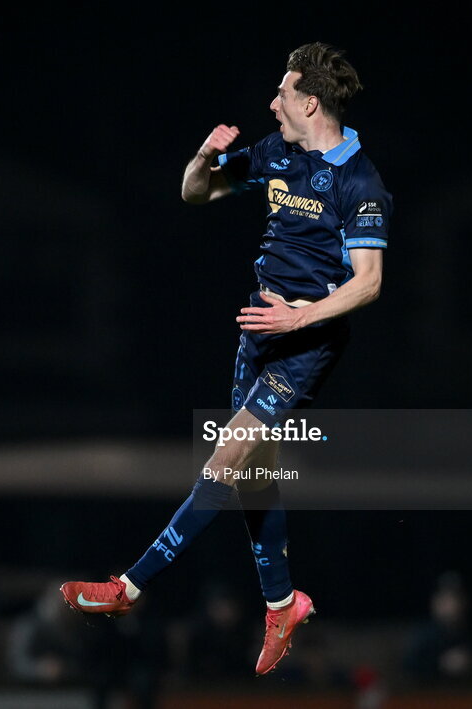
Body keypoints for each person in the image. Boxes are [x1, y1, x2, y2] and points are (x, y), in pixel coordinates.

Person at [61, 41, 392, 676]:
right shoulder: (274, 153)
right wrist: (204, 155)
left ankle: (126, 588)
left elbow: (370, 281)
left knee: (226, 458)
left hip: (306, 344)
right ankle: (281, 602)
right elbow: (196, 193)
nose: (272, 102)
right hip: (257, 334)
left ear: (311, 102)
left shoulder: (359, 178)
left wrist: (299, 315)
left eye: (283, 92)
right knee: (254, 480)